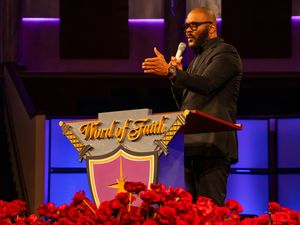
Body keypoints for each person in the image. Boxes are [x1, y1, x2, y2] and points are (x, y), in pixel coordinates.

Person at [142, 7, 242, 205]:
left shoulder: (226, 53)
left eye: (194, 25)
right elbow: (185, 104)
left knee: (210, 212)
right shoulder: (196, 60)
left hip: (213, 146)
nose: (188, 30)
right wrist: (176, 77)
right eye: (186, 26)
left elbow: (207, 84)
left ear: (212, 27)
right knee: (188, 214)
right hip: (190, 146)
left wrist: (172, 73)